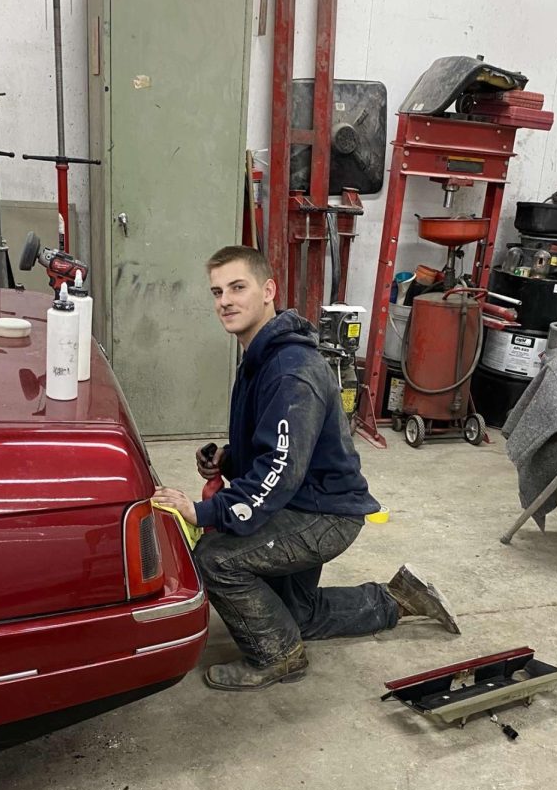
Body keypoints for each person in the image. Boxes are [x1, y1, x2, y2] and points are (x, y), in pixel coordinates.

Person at [153, 245, 460, 692]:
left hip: (322, 513)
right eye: (217, 291)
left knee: (216, 560)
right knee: (296, 613)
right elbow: (277, 444)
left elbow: (279, 470)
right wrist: (229, 460)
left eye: (238, 287)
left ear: (268, 291)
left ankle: (279, 657)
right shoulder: (261, 356)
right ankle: (399, 599)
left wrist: (207, 512)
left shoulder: (290, 371)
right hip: (305, 501)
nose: (225, 301)